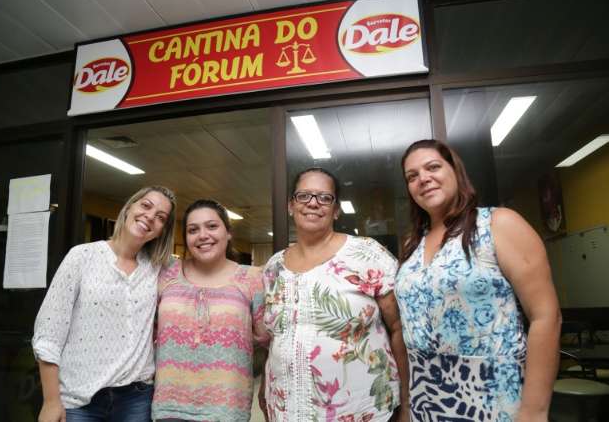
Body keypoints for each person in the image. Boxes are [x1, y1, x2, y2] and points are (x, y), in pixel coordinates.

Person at [395, 139, 561, 421]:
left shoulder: (499, 224)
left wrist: (534, 411)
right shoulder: (412, 244)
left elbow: (546, 317)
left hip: (492, 395)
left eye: (432, 167)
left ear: (455, 171)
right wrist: (409, 405)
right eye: (412, 176)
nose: (423, 179)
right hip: (426, 396)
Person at [261, 167, 409, 421]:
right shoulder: (274, 267)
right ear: (290, 205)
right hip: (287, 409)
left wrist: (406, 405)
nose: (313, 204)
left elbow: (399, 329)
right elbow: (274, 338)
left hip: (361, 411)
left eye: (324, 197)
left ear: (336, 209)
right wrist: (265, 389)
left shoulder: (367, 254)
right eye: (304, 196)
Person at [32, 185, 177, 422]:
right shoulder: (81, 256)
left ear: (162, 230)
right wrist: (50, 401)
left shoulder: (158, 268)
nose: (150, 217)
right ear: (130, 207)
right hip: (80, 400)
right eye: (146, 205)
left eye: (161, 217)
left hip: (136, 398)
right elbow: (49, 332)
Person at [152, 199, 269, 422]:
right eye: (193, 230)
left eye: (212, 226)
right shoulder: (166, 273)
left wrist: (266, 386)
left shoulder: (252, 278)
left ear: (228, 233)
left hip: (226, 409)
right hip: (170, 407)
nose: (203, 235)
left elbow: (267, 339)